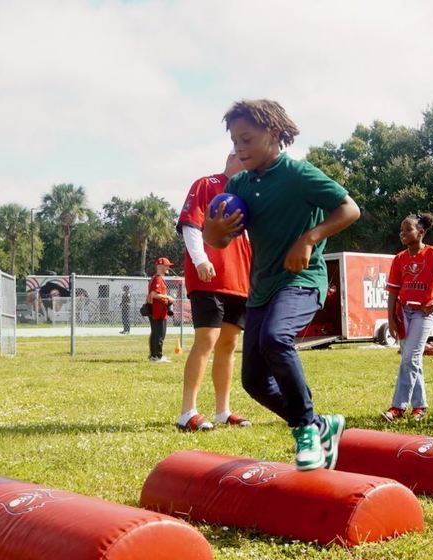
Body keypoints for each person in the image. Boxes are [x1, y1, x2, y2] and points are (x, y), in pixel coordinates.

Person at [204, 98, 361, 471]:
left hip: (303, 280)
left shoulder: (299, 174)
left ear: (273, 134)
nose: (239, 149)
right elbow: (218, 240)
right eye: (235, 142)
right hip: (261, 289)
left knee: (277, 339)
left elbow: (349, 209)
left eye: (247, 139)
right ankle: (323, 424)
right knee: (254, 383)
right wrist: (214, 230)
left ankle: (307, 430)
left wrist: (309, 239)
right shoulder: (239, 183)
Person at [174, 151, 254, 432]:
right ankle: (188, 411)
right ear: (232, 158)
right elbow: (191, 224)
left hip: (240, 281)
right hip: (209, 279)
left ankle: (223, 411)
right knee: (206, 341)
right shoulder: (206, 184)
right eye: (243, 159)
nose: (247, 165)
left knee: (229, 345)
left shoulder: (250, 194)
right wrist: (200, 259)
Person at [382, 213, 433, 422]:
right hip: (403, 313)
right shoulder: (399, 259)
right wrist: (390, 319)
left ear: (421, 232)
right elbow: (393, 292)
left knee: (409, 358)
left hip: (422, 314)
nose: (403, 234)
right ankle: (420, 407)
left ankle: (397, 407)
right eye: (401, 230)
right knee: (412, 360)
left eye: (408, 229)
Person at [146, 258, 174, 363]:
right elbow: (154, 295)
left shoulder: (155, 278)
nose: (168, 268)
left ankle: (154, 355)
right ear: (159, 266)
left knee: (155, 333)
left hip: (156, 310)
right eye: (166, 266)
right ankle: (157, 356)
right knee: (160, 334)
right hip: (158, 311)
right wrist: (168, 297)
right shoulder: (157, 279)